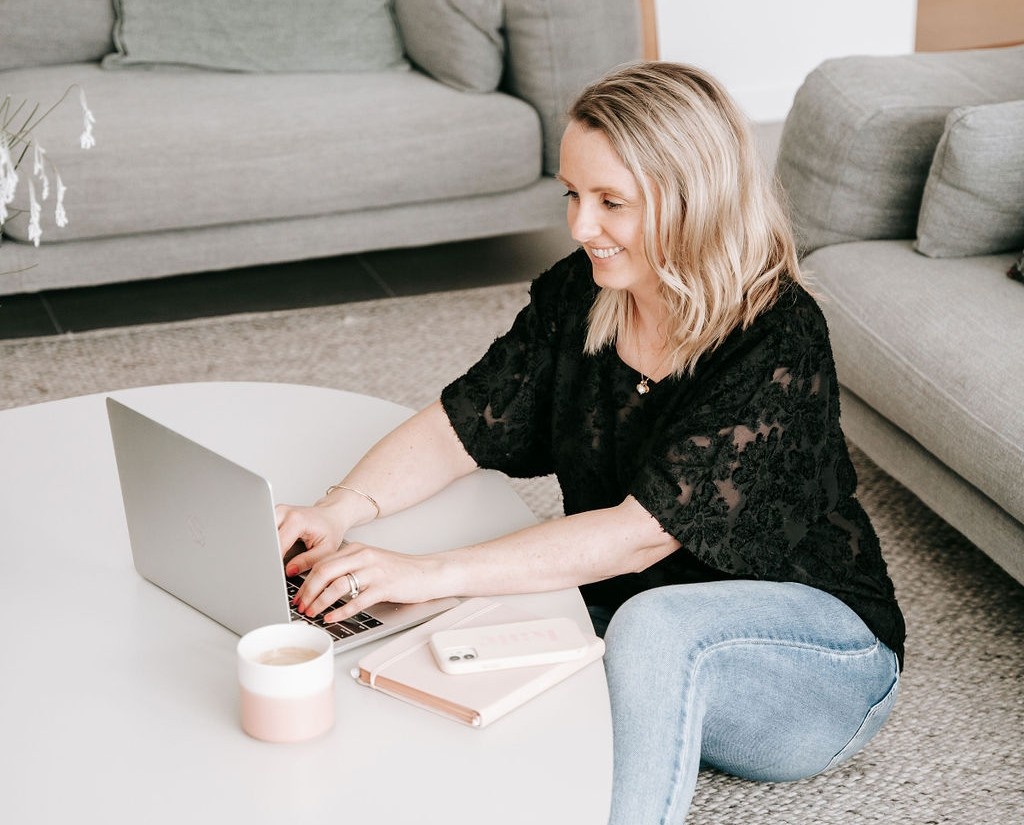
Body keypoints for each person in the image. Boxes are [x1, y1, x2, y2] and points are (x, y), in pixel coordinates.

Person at [276, 62, 906, 823]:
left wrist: (429, 572)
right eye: (572, 194)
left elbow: (637, 538)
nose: (580, 227)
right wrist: (339, 509)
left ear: (693, 200)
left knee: (641, 622)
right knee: (438, 628)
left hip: (821, 661)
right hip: (623, 619)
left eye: (611, 202)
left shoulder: (777, 334)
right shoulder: (584, 291)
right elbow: (461, 423)